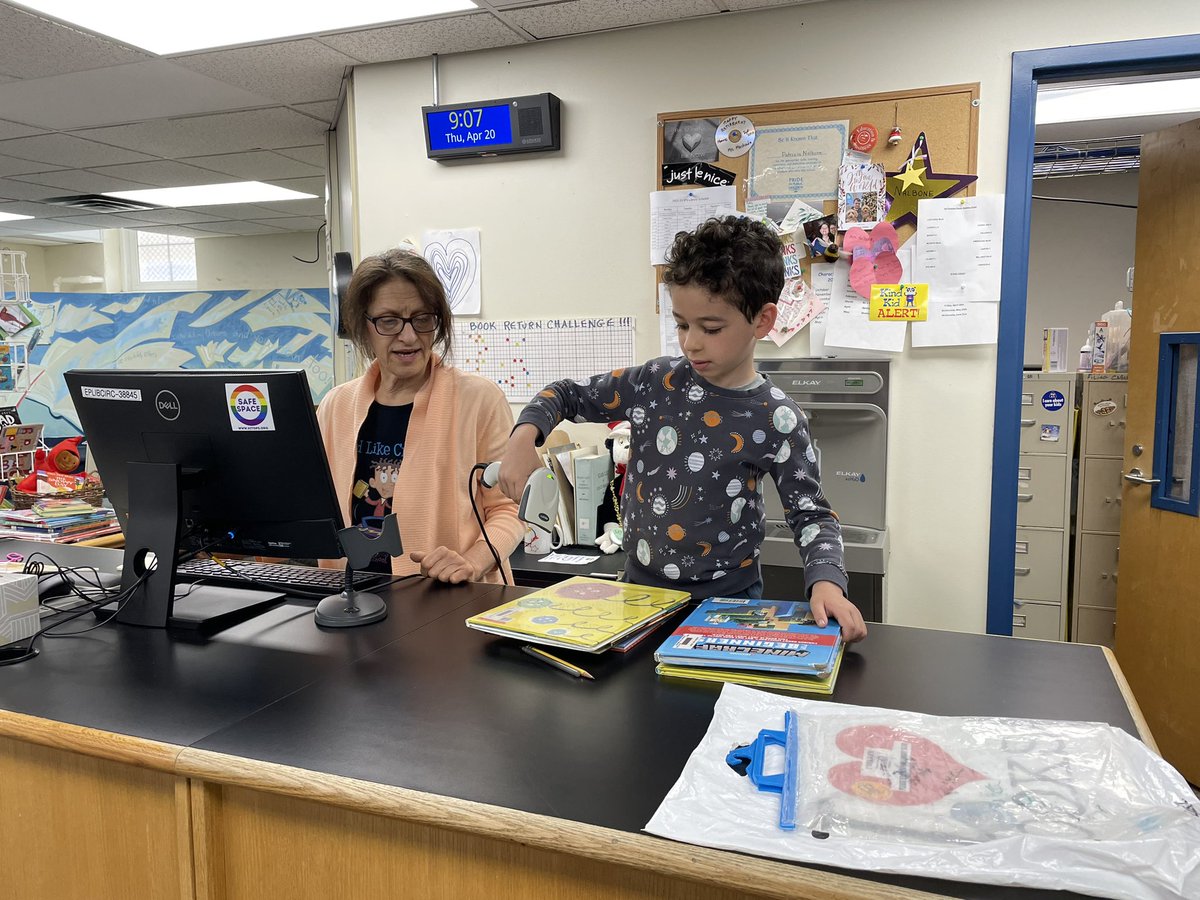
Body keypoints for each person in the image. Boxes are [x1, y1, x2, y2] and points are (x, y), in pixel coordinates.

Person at [499, 217, 867, 642]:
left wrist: (826, 582)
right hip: (638, 594)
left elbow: (812, 515)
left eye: (710, 328)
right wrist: (522, 438)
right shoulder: (653, 383)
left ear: (763, 321)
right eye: (681, 324)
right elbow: (566, 394)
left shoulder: (777, 417)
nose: (690, 342)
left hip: (728, 604)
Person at [318, 248, 523, 584]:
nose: (409, 336)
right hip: (352, 598)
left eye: (422, 319)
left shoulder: (479, 400)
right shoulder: (336, 406)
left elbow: (510, 509)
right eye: (388, 321)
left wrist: (472, 562)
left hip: (450, 599)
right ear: (362, 325)